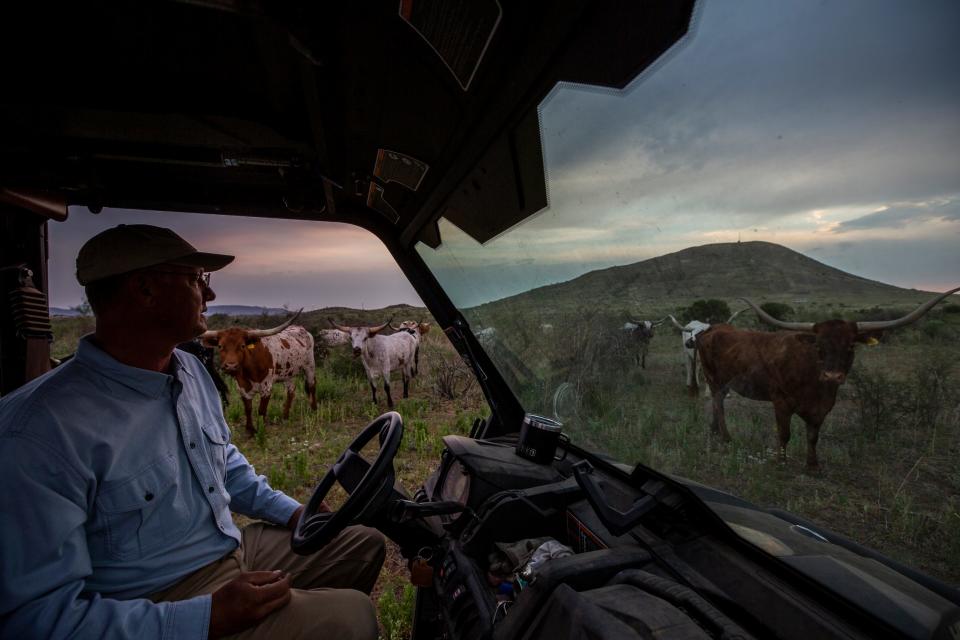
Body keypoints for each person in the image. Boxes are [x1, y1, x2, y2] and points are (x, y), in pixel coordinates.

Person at [0, 224, 385, 639]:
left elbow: (226, 466)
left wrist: (293, 512)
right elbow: (36, 619)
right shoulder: (38, 432)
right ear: (146, 290)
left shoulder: (189, 371)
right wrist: (204, 618)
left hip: (230, 547)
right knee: (354, 617)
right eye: (197, 279)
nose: (210, 295)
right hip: (157, 597)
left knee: (362, 544)